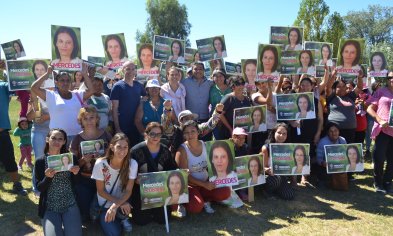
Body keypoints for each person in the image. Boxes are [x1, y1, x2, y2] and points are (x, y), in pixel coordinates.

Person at [31, 63, 95, 145]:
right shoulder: (51, 95)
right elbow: (34, 88)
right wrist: (47, 74)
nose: (65, 83)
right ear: (56, 83)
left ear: (71, 83)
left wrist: (85, 74)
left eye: (68, 80)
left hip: (77, 136)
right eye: (62, 80)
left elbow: (91, 91)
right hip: (58, 139)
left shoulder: (77, 94)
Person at [175, 120, 231, 214]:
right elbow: (183, 176)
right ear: (184, 135)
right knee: (196, 208)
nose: (190, 135)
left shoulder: (206, 145)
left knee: (225, 192)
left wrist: (230, 144)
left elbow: (217, 162)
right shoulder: (182, 150)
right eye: (186, 133)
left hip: (205, 183)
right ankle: (182, 203)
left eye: (193, 131)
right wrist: (204, 184)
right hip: (190, 186)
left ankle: (205, 199)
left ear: (198, 132)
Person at [35, 129, 81, 235]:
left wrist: (76, 173)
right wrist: (47, 178)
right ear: (47, 139)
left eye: (60, 139)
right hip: (50, 207)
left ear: (64, 141)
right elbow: (39, 188)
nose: (57, 141)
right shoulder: (41, 161)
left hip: (70, 204)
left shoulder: (71, 158)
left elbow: (77, 182)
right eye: (53, 138)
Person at [130, 122, 178, 225]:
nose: (156, 137)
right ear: (146, 134)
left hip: (159, 190)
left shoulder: (165, 150)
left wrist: (179, 173)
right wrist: (135, 180)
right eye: (152, 134)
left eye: (159, 134)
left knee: (163, 219)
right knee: (141, 221)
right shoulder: (135, 151)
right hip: (140, 191)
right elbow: (128, 174)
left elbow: (172, 169)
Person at [70, 107, 112, 221]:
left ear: (97, 119)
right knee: (86, 214)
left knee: (104, 206)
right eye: (85, 118)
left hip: (105, 178)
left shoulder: (106, 135)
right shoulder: (76, 139)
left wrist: (104, 157)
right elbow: (71, 166)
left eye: (91, 118)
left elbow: (115, 156)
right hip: (85, 179)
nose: (89, 121)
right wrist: (83, 160)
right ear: (81, 121)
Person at [91, 133, 137, 234]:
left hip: (122, 201)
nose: (122, 150)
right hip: (106, 203)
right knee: (113, 233)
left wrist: (115, 206)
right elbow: (101, 191)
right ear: (112, 147)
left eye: (125, 147)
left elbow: (129, 190)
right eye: (119, 147)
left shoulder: (132, 164)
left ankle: (122, 218)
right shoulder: (100, 163)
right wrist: (116, 204)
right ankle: (115, 219)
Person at [366, 72, 393, 194]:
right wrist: (380, 120)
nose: (392, 79)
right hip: (382, 130)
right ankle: (378, 183)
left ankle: (388, 182)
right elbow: (369, 108)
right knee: (379, 158)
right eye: (390, 77)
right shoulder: (381, 91)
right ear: (387, 79)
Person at [0, 78, 28, 196]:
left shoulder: (3, 85)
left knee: (9, 159)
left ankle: (17, 184)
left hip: (2, 133)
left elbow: (21, 87)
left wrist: (9, 67)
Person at [111, 61, 146, 146]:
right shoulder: (117, 87)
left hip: (137, 126)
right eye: (128, 69)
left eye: (133, 69)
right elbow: (114, 109)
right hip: (123, 127)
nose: (130, 71)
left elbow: (146, 97)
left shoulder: (138, 85)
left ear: (135, 71)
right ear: (123, 70)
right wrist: (117, 128)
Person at [260, 123, 295, 200]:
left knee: (289, 195)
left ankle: (277, 189)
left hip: (282, 177)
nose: (281, 136)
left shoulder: (289, 148)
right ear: (274, 133)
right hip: (269, 177)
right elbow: (262, 168)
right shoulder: (266, 148)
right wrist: (267, 170)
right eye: (279, 133)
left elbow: (292, 166)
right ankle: (266, 191)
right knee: (276, 178)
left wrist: (293, 180)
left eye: (284, 134)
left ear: (287, 135)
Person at [181, 62, 214, 140]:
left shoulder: (210, 83)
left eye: (200, 69)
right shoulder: (184, 82)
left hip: (205, 119)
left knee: (206, 144)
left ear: (204, 70)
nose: (198, 71)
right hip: (190, 120)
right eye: (195, 69)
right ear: (192, 70)